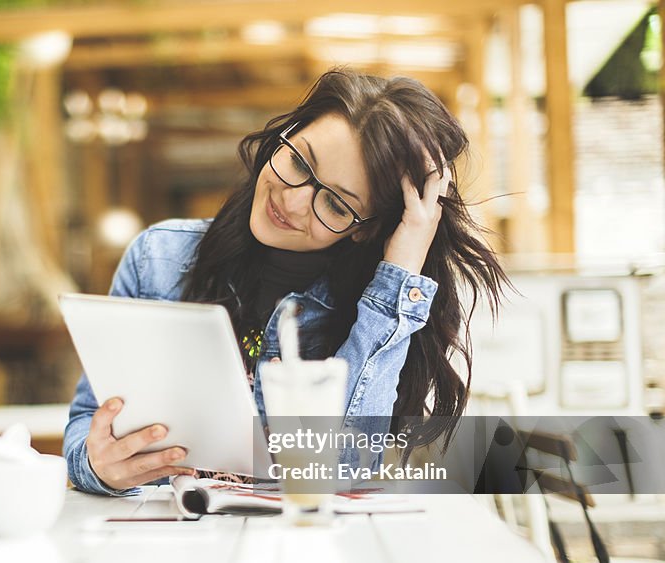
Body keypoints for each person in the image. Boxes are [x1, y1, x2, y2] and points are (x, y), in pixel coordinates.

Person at [63, 68, 509, 496]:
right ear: (283, 137)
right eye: (298, 161)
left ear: (366, 229)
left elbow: (338, 470)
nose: (291, 202)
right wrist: (98, 466)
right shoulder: (158, 259)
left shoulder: (368, 310)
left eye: (335, 204)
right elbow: (88, 422)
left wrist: (402, 270)